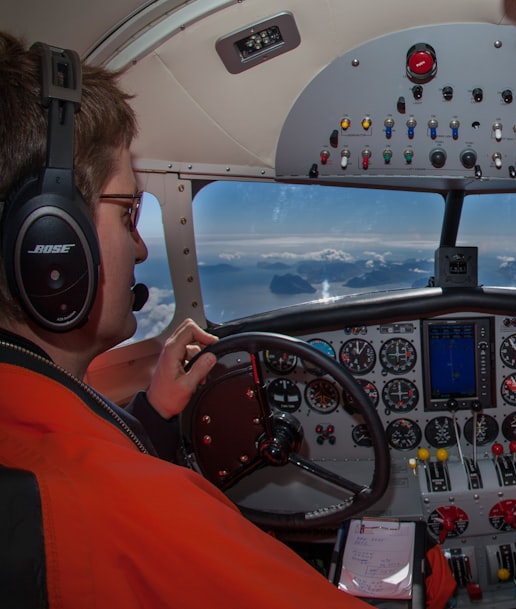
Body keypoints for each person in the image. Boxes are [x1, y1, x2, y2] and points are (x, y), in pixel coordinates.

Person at [0, 32, 379, 608]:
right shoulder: (124, 512)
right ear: (52, 242)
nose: (143, 248)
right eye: (129, 211)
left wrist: (152, 416)